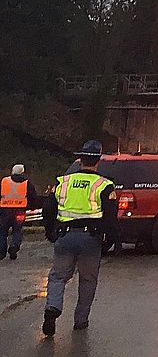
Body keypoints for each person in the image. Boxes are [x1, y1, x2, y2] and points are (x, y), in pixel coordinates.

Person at [41, 140, 118, 336]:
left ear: (80, 159)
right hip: (90, 239)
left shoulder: (62, 182)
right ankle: (81, 321)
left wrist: (50, 231)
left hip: (64, 236)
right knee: (88, 280)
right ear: (98, 160)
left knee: (58, 277)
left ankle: (53, 308)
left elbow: (48, 208)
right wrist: (109, 239)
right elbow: (110, 215)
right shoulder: (105, 185)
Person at [0, 164, 38, 260]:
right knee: (17, 230)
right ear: (22, 172)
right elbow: (32, 196)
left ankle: (1, 252)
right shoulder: (26, 183)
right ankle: (14, 247)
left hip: (5, 210)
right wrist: (33, 207)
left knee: (2, 232)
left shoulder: (4, 181)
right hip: (20, 211)